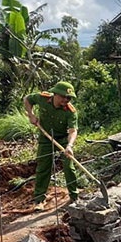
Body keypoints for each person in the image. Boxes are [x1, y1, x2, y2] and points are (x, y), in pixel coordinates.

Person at [24, 81, 79, 211]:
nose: (66, 100)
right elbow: (27, 99)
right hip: (46, 137)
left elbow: (73, 131)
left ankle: (74, 197)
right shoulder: (43, 98)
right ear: (55, 94)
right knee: (43, 167)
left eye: (69, 98)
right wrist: (31, 115)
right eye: (63, 97)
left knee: (68, 166)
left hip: (63, 139)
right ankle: (39, 200)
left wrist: (69, 146)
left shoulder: (71, 111)